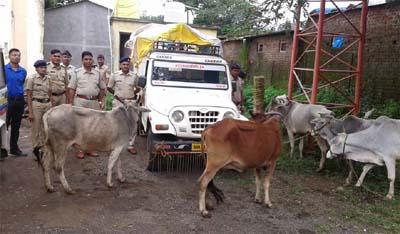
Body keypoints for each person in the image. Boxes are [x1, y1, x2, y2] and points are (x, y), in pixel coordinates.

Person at [68, 51, 106, 159]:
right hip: (80, 102)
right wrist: (70, 104)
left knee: (93, 127)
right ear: (82, 60)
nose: (88, 61)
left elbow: (102, 88)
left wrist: (101, 100)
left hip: (94, 103)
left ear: (92, 60)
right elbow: (71, 89)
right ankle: (81, 149)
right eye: (86, 59)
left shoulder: (97, 73)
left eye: (90, 59)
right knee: (81, 127)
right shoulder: (77, 72)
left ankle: (91, 149)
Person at [107, 56, 139, 155]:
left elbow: (137, 88)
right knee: (115, 123)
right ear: (120, 65)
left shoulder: (134, 76)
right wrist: (117, 95)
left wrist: (133, 94)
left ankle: (130, 145)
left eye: (127, 64)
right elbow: (109, 87)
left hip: (130, 102)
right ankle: (114, 144)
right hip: (118, 102)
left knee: (132, 124)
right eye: (124, 64)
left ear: (129, 65)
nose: (125, 66)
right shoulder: (115, 75)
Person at [25, 60, 53, 160]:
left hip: (47, 104)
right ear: (36, 69)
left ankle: (45, 150)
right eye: (41, 67)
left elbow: (50, 92)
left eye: (45, 67)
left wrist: (52, 106)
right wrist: (30, 112)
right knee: (36, 129)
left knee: (46, 129)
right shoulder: (31, 78)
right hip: (36, 104)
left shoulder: (48, 78)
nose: (43, 69)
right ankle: (36, 151)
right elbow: (28, 95)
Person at [5, 48, 27, 157]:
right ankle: (2, 149)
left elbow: (21, 84)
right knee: (4, 126)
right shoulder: (3, 70)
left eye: (18, 55)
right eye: (14, 55)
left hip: (19, 101)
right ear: (9, 56)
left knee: (16, 126)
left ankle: (14, 148)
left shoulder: (23, 71)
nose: (16, 57)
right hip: (6, 102)